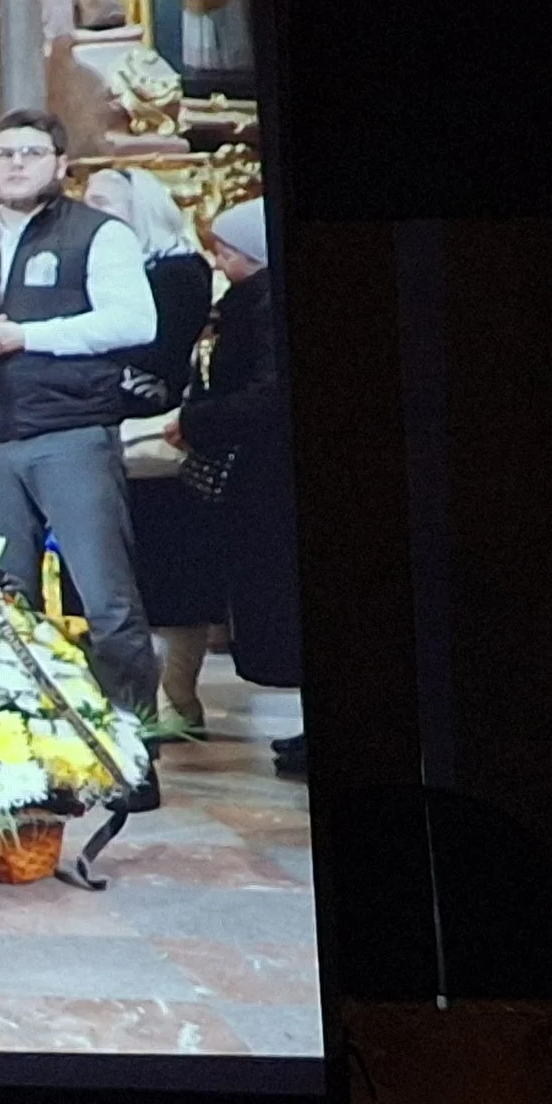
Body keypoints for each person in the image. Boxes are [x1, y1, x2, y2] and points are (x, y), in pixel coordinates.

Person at [0, 108, 161, 718]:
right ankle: (19, 743)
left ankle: (132, 744)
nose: (16, 164)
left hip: (69, 435)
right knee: (1, 595)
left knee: (107, 598)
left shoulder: (98, 233)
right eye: (4, 155)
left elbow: (134, 321)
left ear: (61, 165)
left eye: (31, 153)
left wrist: (27, 335)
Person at [168, 197, 303, 774]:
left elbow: (269, 392)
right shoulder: (248, 302)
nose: (219, 263)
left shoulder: (267, 306)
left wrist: (196, 422)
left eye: (227, 252)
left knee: (287, 601)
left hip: (272, 476)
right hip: (257, 473)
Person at [84, 166, 221, 735]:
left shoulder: (177, 271)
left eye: (103, 202)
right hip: (98, 436)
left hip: (154, 442)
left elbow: (155, 358)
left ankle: (178, 697)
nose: (89, 212)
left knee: (173, 576)